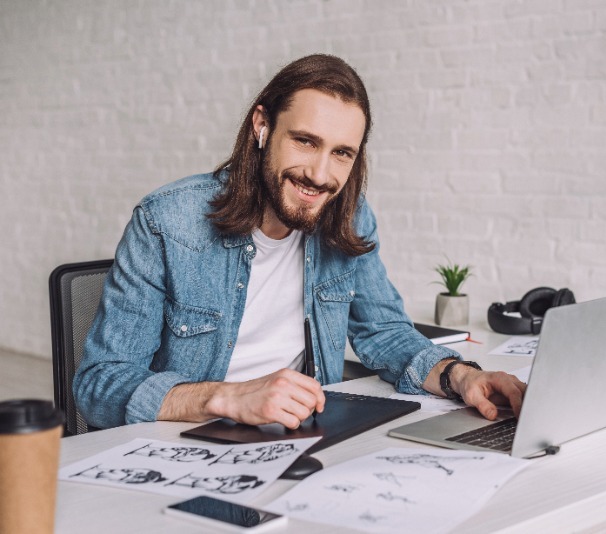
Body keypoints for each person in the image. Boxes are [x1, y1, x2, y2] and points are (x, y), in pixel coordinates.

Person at [74, 54, 526, 430]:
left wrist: (460, 376)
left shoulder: (348, 215)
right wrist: (227, 398)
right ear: (262, 126)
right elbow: (99, 384)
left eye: (342, 153)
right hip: (186, 445)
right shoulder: (167, 222)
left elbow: (384, 333)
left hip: (302, 440)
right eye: (306, 142)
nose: (320, 174)